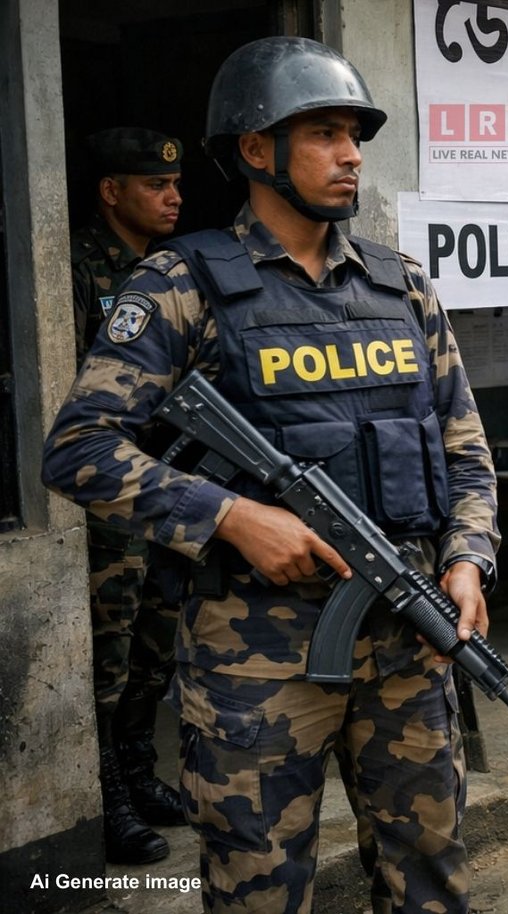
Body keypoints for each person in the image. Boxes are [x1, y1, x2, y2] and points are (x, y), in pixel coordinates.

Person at [43, 38, 500, 913]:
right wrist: (229, 517)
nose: (351, 154)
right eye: (323, 132)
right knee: (259, 891)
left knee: (434, 884)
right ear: (256, 150)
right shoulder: (183, 286)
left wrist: (469, 559)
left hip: (411, 644)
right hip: (256, 664)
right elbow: (79, 447)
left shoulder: (403, 290)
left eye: (355, 134)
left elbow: (466, 452)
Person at [68, 126, 187, 865]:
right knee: (107, 654)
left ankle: (143, 774)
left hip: (169, 485)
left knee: (157, 642)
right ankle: (107, 794)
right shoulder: (80, 268)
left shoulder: (172, 270)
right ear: (112, 191)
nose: (174, 198)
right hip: (108, 495)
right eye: (155, 186)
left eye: (176, 185)